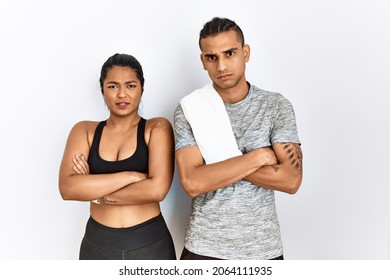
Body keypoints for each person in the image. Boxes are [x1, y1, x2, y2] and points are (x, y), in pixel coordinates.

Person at [174, 17, 303, 260]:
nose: (221, 66)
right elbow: (193, 183)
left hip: (263, 249)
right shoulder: (190, 109)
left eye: (230, 53)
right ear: (203, 60)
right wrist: (259, 156)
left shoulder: (275, 106)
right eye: (212, 57)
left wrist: (213, 165)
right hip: (204, 247)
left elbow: (290, 180)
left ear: (245, 53)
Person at [59, 53, 176, 260]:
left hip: (150, 243)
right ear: (102, 89)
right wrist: (131, 176)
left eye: (130, 85)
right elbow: (68, 189)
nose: (122, 94)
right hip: (97, 244)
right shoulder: (84, 131)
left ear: (142, 87)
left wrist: (95, 193)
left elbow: (157, 190)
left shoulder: (156, 128)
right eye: (113, 86)